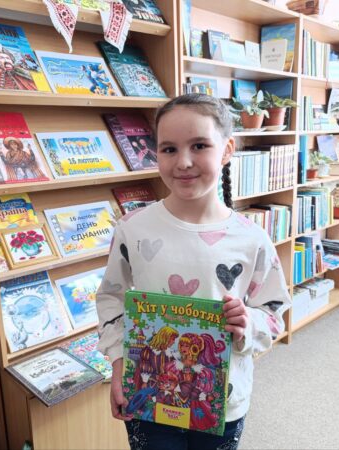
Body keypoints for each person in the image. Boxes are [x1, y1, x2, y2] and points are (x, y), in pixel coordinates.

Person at [96, 93, 291, 450]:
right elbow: (111, 298)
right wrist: (119, 362)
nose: (183, 162)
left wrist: (247, 322)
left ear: (227, 150)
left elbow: (274, 311)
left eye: (199, 146)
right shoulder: (132, 229)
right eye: (168, 149)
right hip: (149, 394)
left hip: (220, 402)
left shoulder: (251, 238)